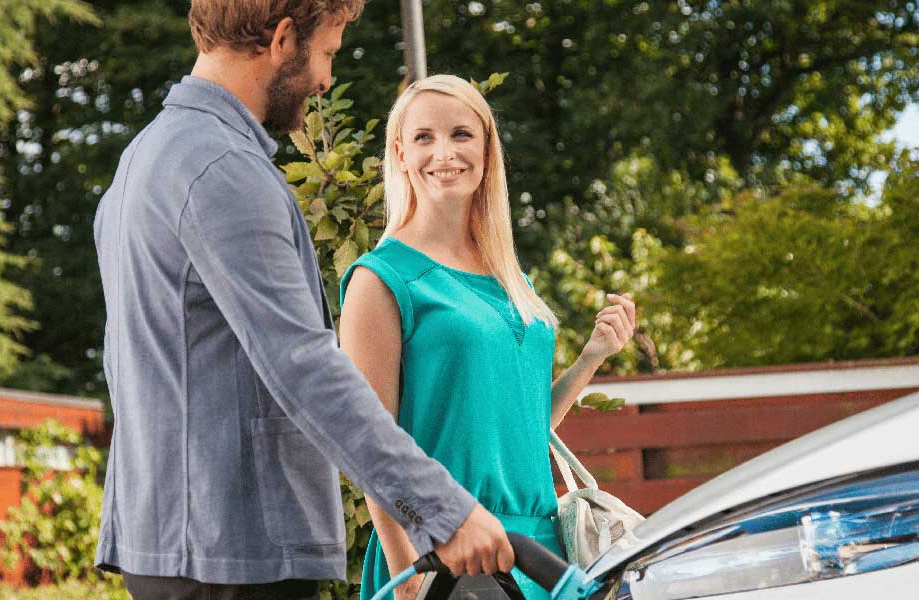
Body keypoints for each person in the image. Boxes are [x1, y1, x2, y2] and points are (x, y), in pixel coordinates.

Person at [92, 4, 513, 599]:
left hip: (176, 544)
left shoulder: (144, 157)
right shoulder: (225, 169)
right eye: (328, 54)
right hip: (234, 552)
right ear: (284, 40)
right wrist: (444, 510)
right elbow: (305, 367)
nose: (326, 80)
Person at [339, 75, 638, 600]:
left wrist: (590, 359)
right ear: (400, 154)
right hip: (445, 556)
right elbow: (368, 445)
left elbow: (520, 429)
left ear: (486, 150)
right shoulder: (380, 279)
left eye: (461, 134)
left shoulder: (511, 278)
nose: (444, 152)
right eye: (424, 137)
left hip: (540, 553)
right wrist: (407, 577)